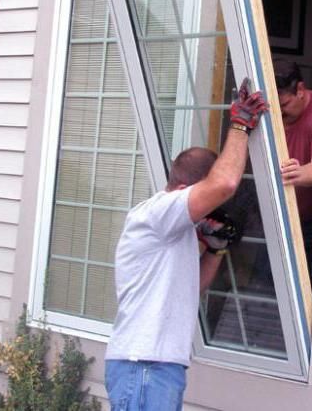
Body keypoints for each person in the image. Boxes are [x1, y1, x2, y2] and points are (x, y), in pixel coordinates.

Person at [104, 79, 267, 411]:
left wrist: (216, 248)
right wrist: (240, 126)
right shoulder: (157, 213)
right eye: (202, 199)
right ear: (183, 190)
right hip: (143, 366)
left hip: (158, 366)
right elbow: (224, 183)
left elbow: (192, 288)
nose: (208, 210)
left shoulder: (176, 231)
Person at [274, 59, 312, 289]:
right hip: (272, 217)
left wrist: (296, 173)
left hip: (307, 223)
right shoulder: (271, 110)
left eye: (284, 104)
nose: (278, 113)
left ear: (300, 90)